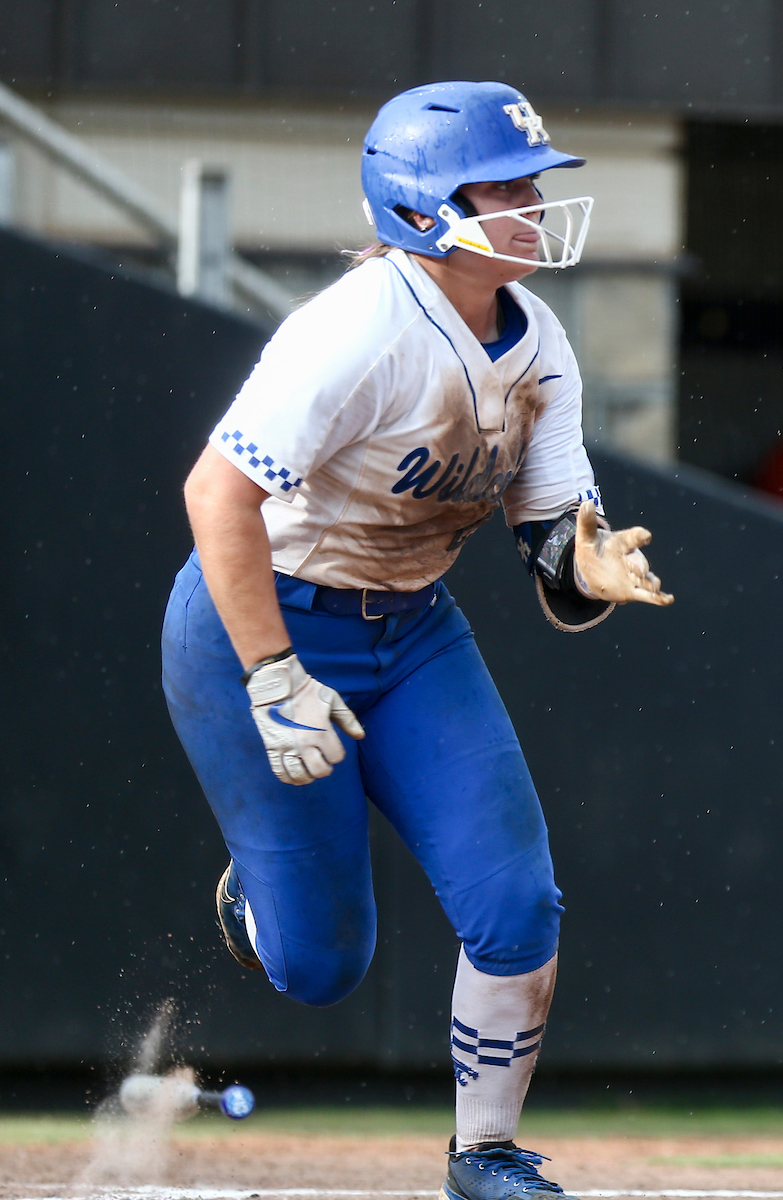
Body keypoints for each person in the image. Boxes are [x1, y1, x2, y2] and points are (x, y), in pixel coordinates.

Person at [161, 80, 673, 1200]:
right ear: (419, 203)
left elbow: (548, 549)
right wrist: (270, 672)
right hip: (261, 618)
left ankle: (482, 1155)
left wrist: (580, 564)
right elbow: (215, 498)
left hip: (413, 629)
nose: (531, 205)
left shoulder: (537, 343)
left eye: (532, 183)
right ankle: (256, 899)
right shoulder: (359, 327)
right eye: (502, 184)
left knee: (516, 904)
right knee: (319, 968)